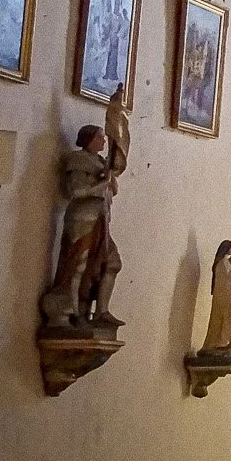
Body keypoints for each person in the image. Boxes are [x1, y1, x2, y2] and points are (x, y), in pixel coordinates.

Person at [41, 86, 129, 331]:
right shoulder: (78, 160)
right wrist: (102, 183)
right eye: (100, 137)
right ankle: (72, 312)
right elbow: (76, 192)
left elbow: (112, 190)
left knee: (110, 263)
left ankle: (101, 310)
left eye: (104, 137)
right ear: (89, 140)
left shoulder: (101, 162)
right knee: (77, 264)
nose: (104, 140)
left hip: (101, 218)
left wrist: (110, 181)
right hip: (83, 220)